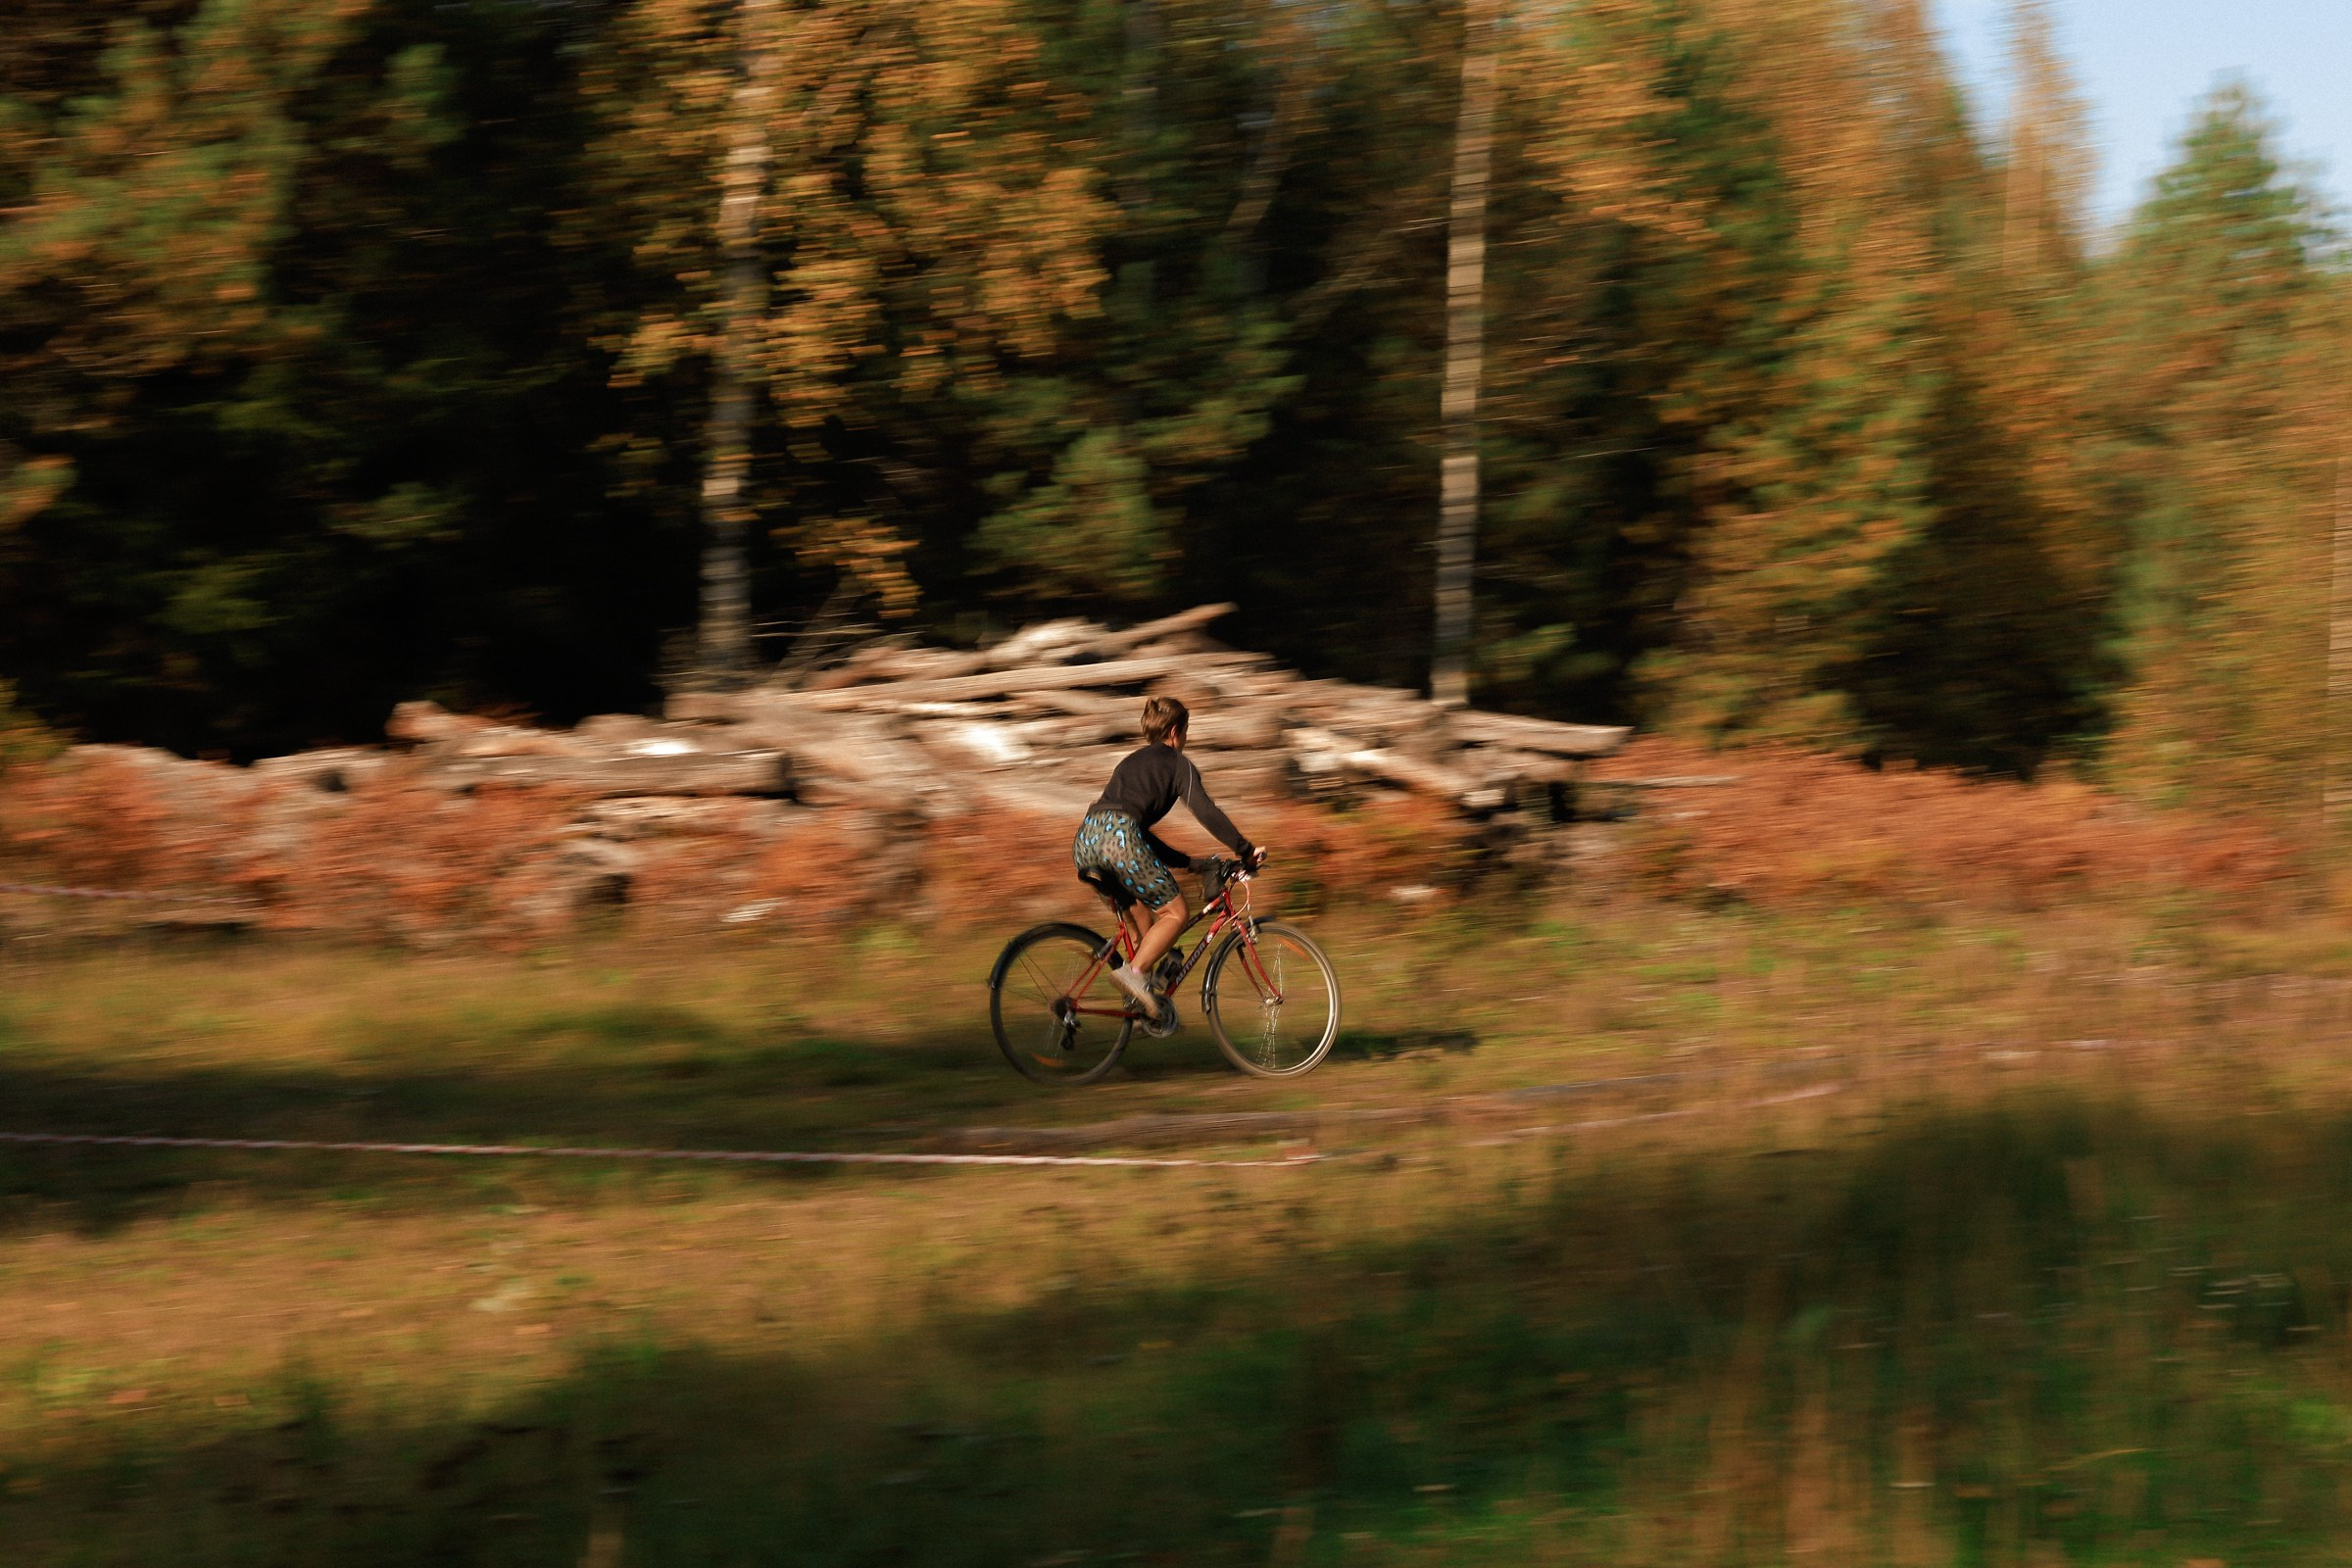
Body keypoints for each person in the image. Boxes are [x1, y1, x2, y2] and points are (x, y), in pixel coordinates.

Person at [1072, 695, 1263, 1024]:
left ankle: (1144, 1010)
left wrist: (1192, 863)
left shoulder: (1130, 762)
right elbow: (1206, 811)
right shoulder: (1177, 764)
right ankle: (1134, 976)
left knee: (1144, 932)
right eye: (1186, 733)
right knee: (1175, 913)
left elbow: (1138, 835)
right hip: (1119, 839)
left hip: (1086, 839)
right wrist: (1245, 849)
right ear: (1176, 731)